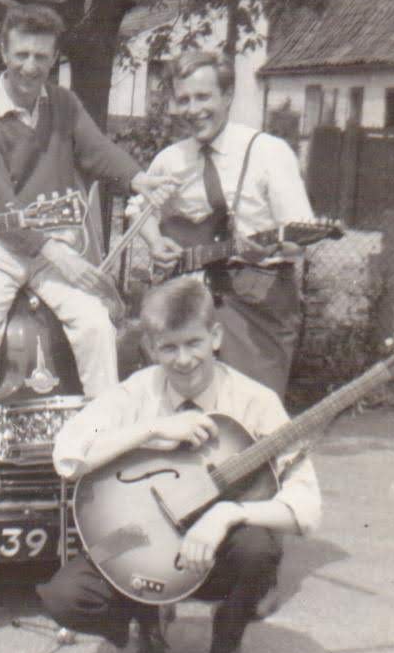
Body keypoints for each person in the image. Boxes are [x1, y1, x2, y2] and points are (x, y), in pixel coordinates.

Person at [37, 276, 321, 653]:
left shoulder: (255, 401)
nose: (184, 360)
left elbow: (308, 508)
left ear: (216, 337)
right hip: (140, 536)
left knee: (259, 549)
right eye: (169, 348)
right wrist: (152, 429)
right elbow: (67, 454)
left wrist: (229, 514)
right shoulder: (138, 392)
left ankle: (226, 644)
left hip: (218, 552)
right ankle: (147, 617)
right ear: (151, 348)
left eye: (194, 343)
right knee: (64, 597)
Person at [0, 4, 176, 526]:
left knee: (96, 324)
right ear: (4, 54)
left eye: (42, 57)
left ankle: (105, 457)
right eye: (22, 54)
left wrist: (141, 180)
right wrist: (54, 253)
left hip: (53, 242)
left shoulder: (64, 104)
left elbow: (100, 153)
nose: (31, 66)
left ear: (53, 60)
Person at [134, 50, 315, 398]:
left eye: (203, 97)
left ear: (228, 96)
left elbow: (299, 239)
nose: (193, 109)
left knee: (252, 415)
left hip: (256, 301)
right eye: (184, 99)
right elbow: (138, 210)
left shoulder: (269, 153)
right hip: (187, 302)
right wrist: (155, 241)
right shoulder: (170, 160)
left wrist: (267, 249)